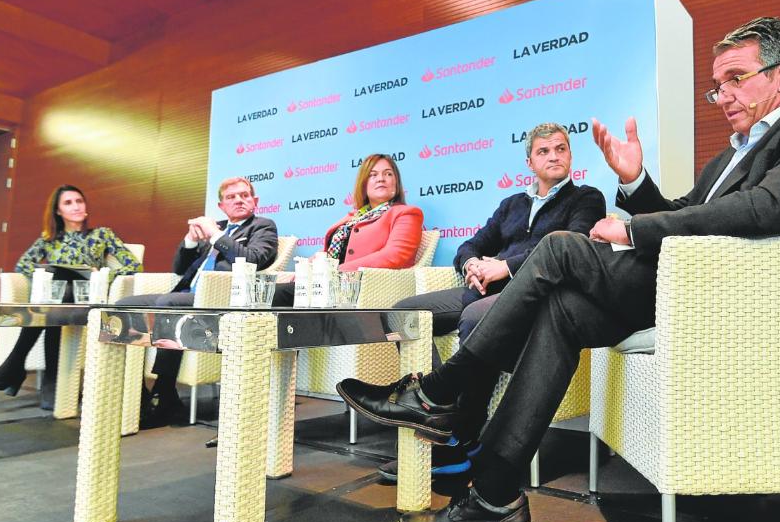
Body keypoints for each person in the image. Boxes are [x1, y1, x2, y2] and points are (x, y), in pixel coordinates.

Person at [337, 17, 780, 522]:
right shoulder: (731, 152)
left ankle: (438, 392)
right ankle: (494, 498)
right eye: (717, 86)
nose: (723, 95)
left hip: (729, 301)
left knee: (558, 249)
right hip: (679, 288)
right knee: (558, 311)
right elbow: (684, 214)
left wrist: (634, 226)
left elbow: (766, 210)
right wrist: (635, 181)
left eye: (735, 78)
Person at [377, 122, 606, 481]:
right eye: (544, 151)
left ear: (571, 156)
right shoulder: (512, 203)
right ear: (529, 161)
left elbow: (571, 245)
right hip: (484, 287)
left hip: (537, 295)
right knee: (404, 314)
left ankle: (463, 436)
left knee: (474, 317)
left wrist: (505, 267)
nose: (554, 156)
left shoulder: (587, 198)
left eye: (561, 149)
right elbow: (472, 244)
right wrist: (472, 263)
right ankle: (440, 413)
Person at [118, 176, 278, 428]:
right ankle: (134, 392)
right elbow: (179, 269)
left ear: (254, 201)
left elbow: (254, 259)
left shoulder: (262, 226)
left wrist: (215, 235)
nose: (239, 200)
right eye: (231, 197)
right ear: (221, 206)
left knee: (169, 303)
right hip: (187, 294)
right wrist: (191, 241)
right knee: (122, 304)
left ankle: (165, 390)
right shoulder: (221, 228)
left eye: (244, 195)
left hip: (219, 300)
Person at [0, 184, 142, 410]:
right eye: (68, 203)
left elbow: (133, 265)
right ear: (58, 211)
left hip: (87, 298)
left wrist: (102, 276)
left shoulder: (101, 234)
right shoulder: (49, 239)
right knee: (57, 285)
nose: (76, 206)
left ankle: (15, 366)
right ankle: (49, 386)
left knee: (56, 293)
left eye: (79, 201)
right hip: (57, 300)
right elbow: (23, 265)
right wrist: (47, 274)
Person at [270, 153, 423, 307]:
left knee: (274, 296)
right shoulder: (354, 217)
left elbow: (395, 255)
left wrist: (335, 270)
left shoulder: (406, 213)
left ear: (396, 183)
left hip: (361, 287)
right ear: (364, 184)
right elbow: (336, 252)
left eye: (388, 174)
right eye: (373, 175)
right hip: (326, 284)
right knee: (270, 295)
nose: (381, 178)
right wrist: (312, 266)